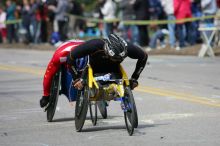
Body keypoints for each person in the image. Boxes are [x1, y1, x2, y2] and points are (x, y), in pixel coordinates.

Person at [66, 33, 148, 93]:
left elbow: (144, 56)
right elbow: (70, 57)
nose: (115, 60)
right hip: (94, 67)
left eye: (118, 59)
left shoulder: (128, 48)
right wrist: (76, 78)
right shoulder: (94, 45)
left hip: (114, 70)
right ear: (106, 50)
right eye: (113, 58)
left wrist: (134, 78)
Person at [39, 39, 88, 108]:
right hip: (64, 52)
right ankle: (46, 96)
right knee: (51, 71)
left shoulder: (89, 53)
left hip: (82, 47)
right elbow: (48, 75)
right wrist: (46, 95)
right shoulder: (60, 56)